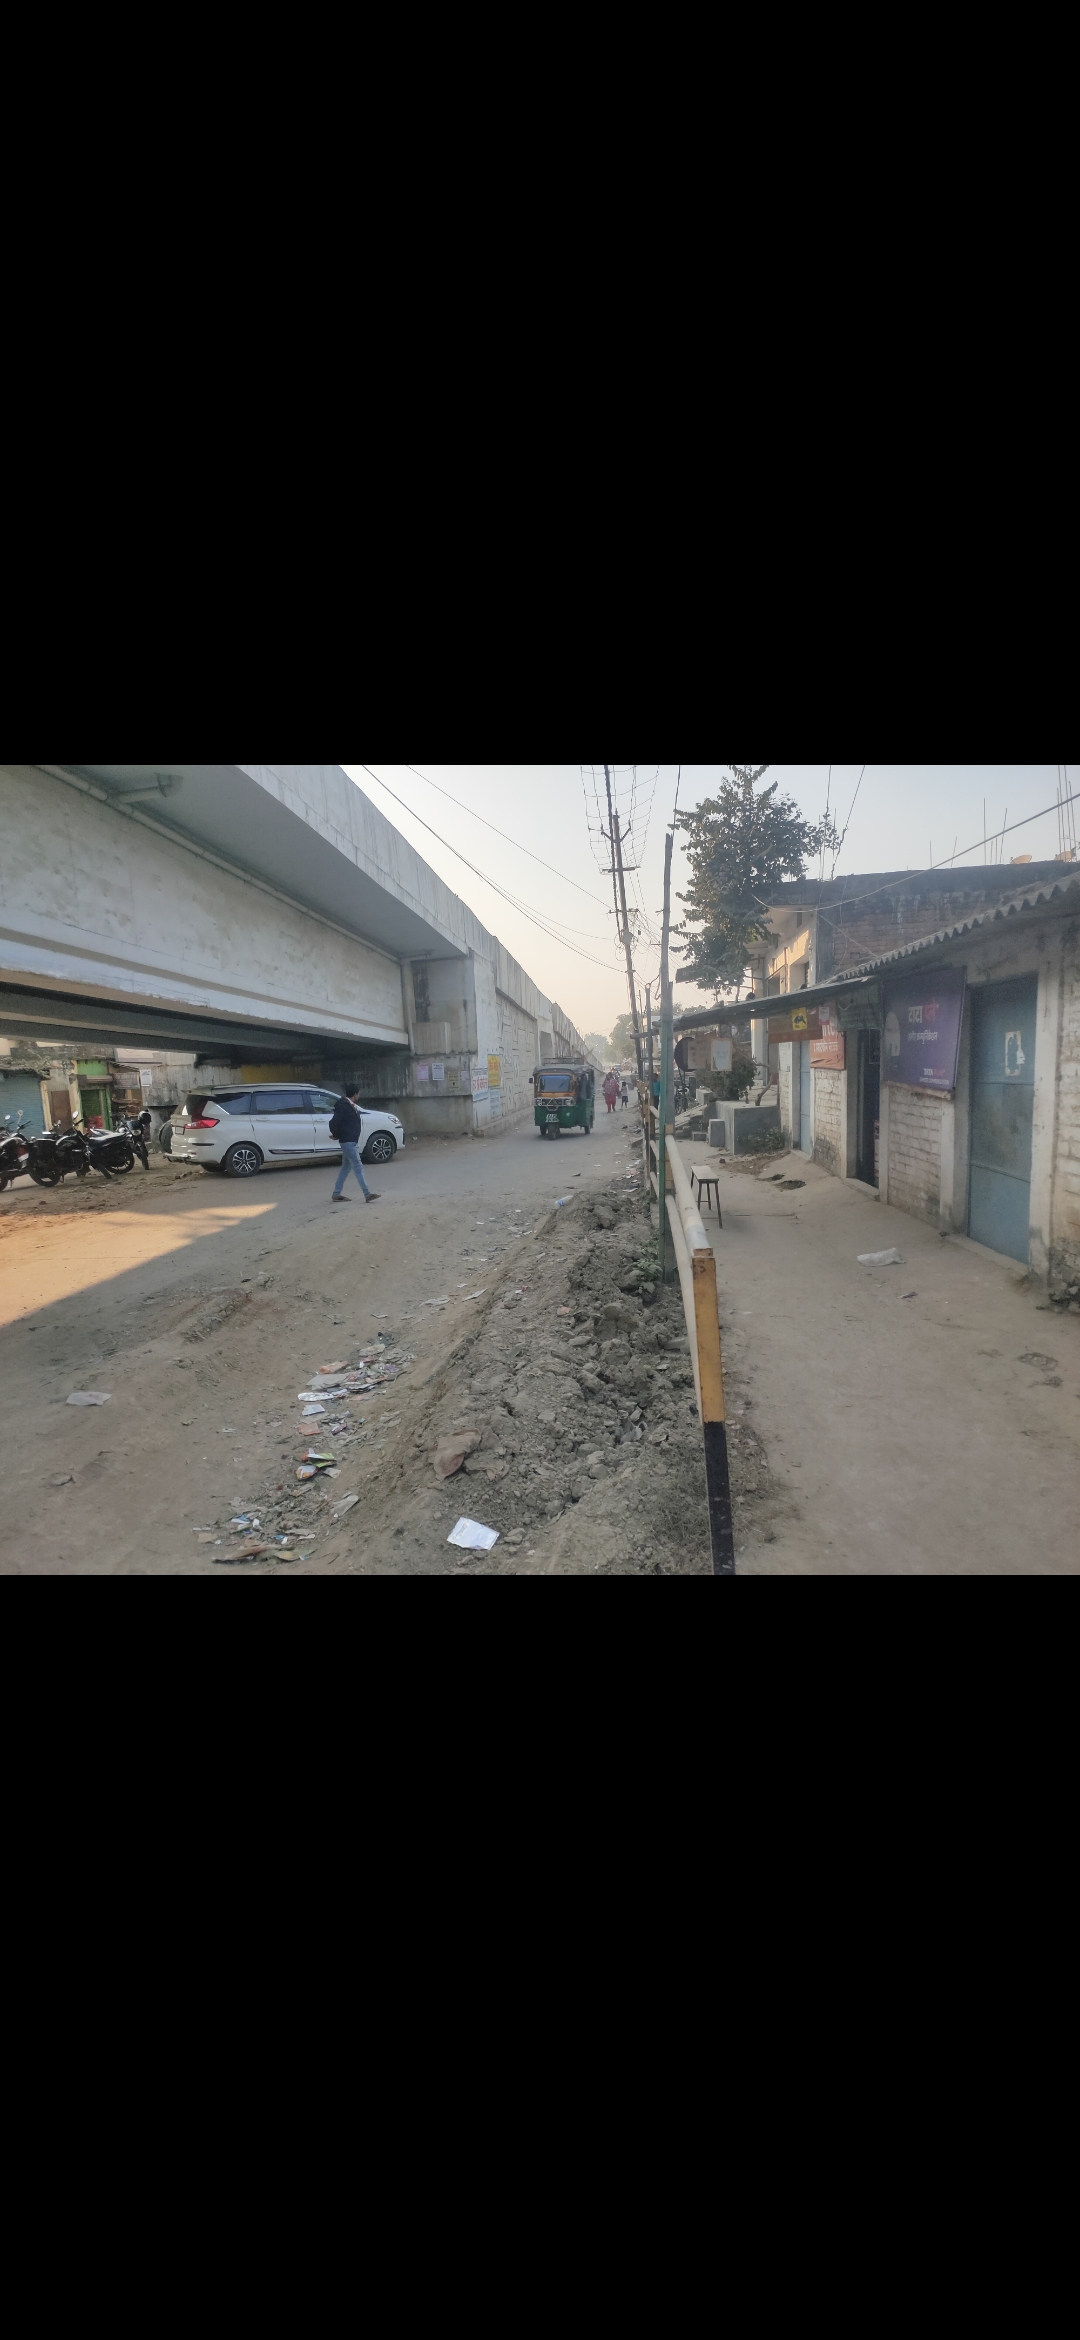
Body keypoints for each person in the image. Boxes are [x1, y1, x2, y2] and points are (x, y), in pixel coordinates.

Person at [330, 1085, 380, 1204]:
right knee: (358, 1167)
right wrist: (337, 1134)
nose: (359, 1096)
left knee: (345, 1168)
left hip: (349, 1140)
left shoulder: (347, 1105)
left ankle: (336, 1193)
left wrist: (338, 1135)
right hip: (348, 1141)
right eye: (358, 1094)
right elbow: (334, 1122)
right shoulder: (344, 1106)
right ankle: (367, 1194)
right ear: (355, 1094)